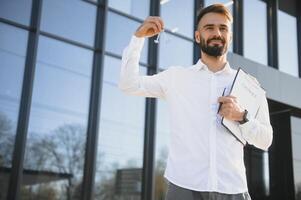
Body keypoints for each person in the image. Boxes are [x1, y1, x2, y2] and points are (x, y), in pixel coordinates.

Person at [118, 3, 273, 200]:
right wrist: (137, 39)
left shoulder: (249, 85)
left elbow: (266, 140)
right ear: (198, 36)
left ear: (230, 37)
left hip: (234, 189)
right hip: (184, 188)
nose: (217, 33)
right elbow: (128, 85)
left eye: (223, 28)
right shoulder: (176, 77)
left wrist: (241, 116)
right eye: (209, 28)